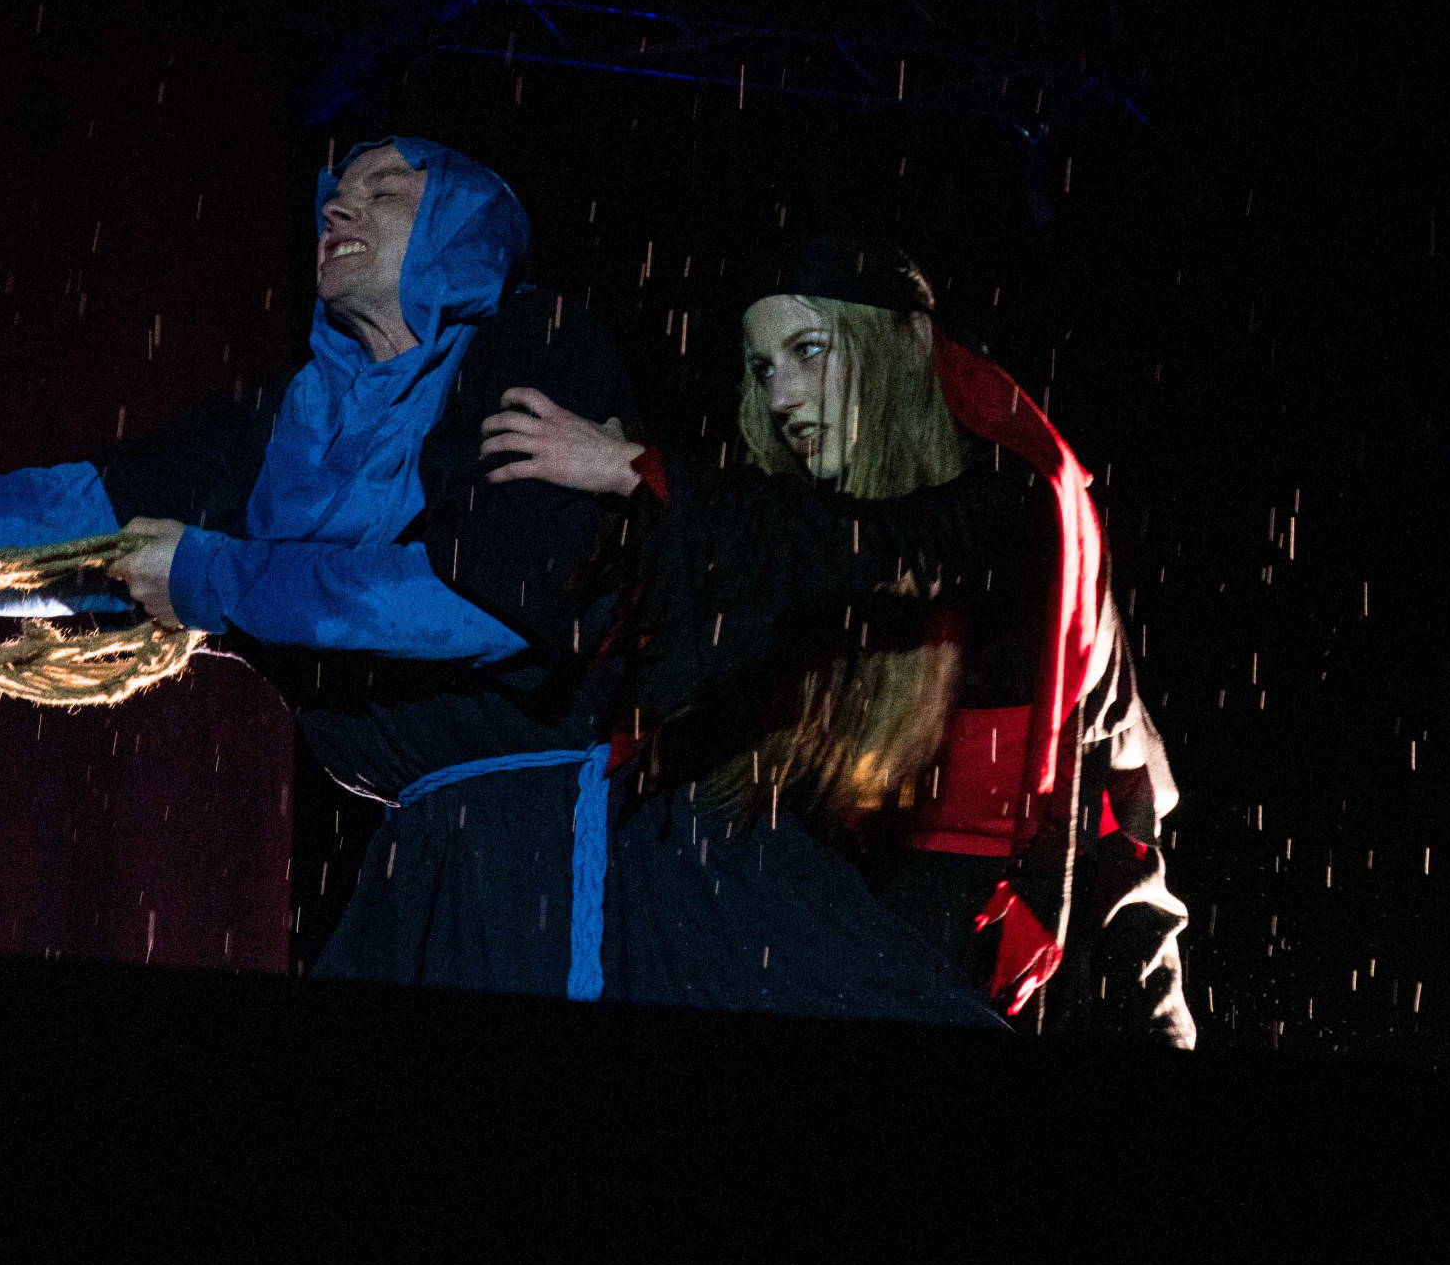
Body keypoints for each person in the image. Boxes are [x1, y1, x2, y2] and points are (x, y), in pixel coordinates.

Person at [0, 137, 642, 999]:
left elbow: (491, 601)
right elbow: (18, 525)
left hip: (572, 846)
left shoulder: (538, 342)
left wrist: (217, 578)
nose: (338, 204)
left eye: (386, 187)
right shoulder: (279, 434)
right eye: (335, 189)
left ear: (461, 223)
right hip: (426, 856)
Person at [484, 235, 1196, 1043]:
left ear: (904, 345)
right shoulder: (815, 523)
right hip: (893, 906)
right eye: (762, 368)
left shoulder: (1011, 494)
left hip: (1059, 933)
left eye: (809, 350)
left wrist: (634, 470)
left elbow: (877, 554)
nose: (782, 396)